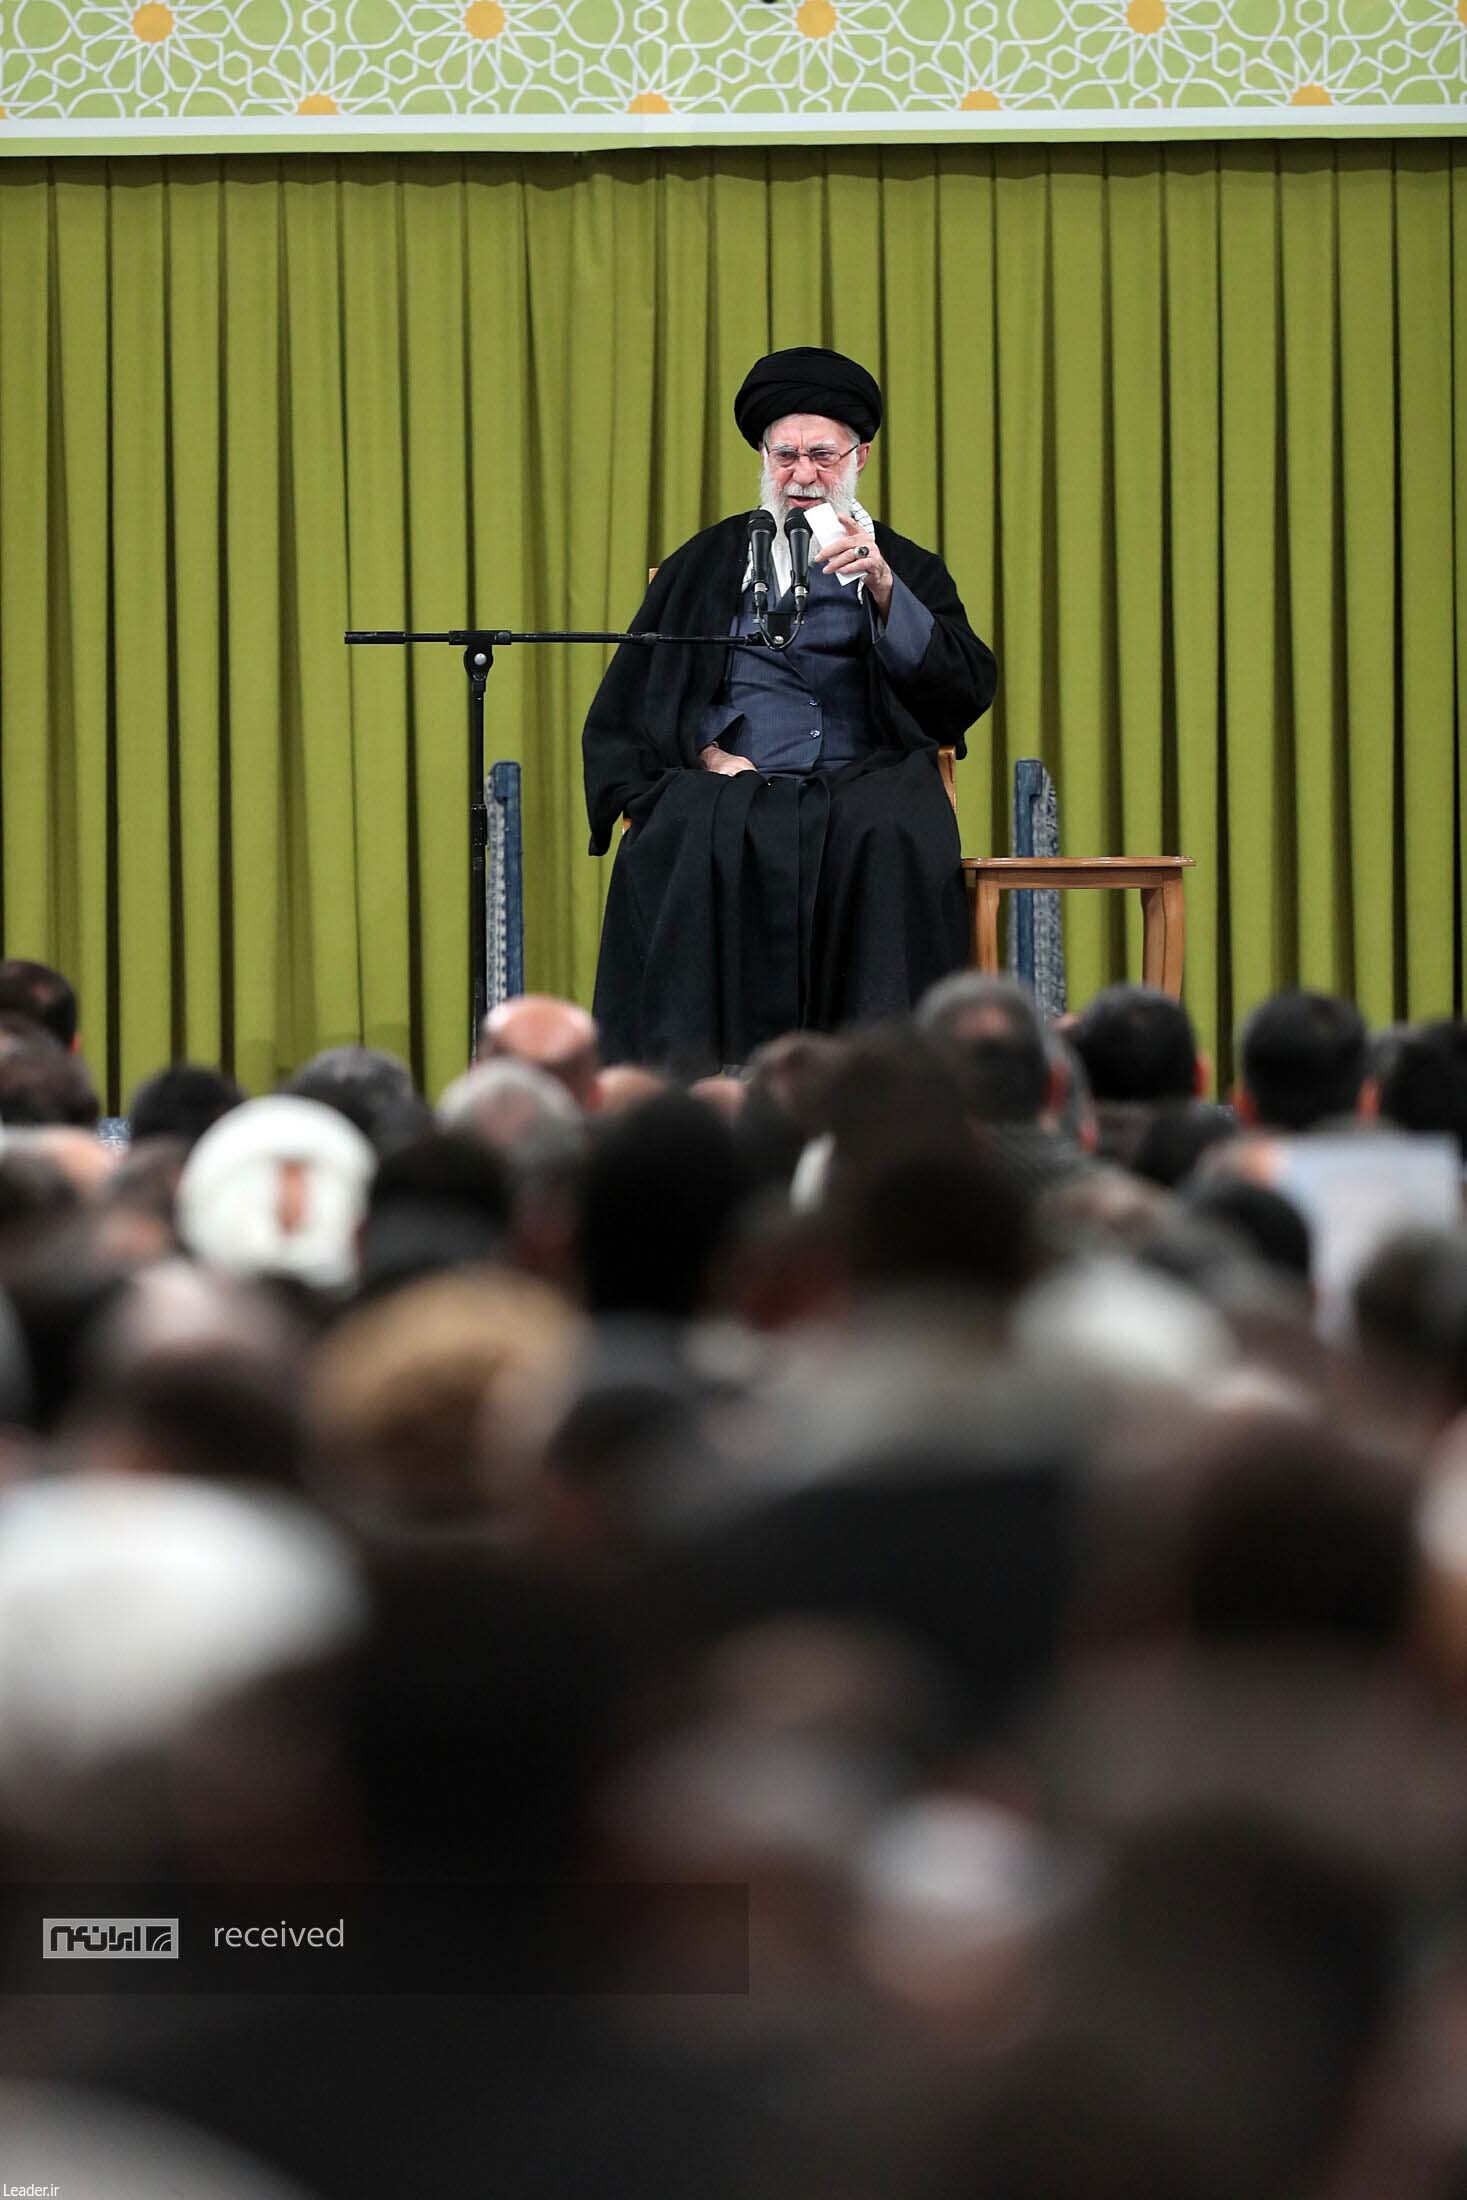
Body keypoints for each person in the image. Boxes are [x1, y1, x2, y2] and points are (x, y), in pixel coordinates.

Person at [583, 346, 997, 1075]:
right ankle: (687, 1085)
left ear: (859, 458)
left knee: (894, 827)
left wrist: (886, 592)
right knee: (680, 828)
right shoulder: (703, 563)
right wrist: (710, 749)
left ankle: (879, 1077)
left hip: (859, 777)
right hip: (732, 782)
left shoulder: (903, 564)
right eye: (786, 456)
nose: (802, 475)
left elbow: (960, 689)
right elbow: (650, 691)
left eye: (822, 456)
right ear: (763, 459)